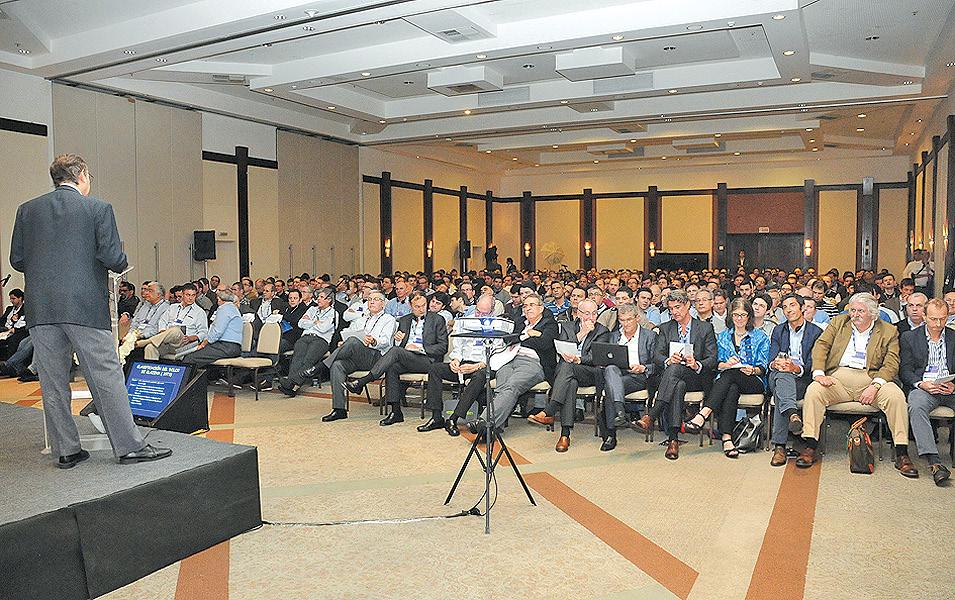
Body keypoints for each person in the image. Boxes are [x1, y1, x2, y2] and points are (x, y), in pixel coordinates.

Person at [10, 154, 170, 467]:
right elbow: (112, 257)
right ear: (82, 175)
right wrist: (122, 263)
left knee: (53, 382)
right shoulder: (97, 208)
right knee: (106, 377)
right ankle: (129, 447)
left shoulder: (27, 210)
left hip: (41, 307)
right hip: (84, 305)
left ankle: (66, 450)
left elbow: (17, 260)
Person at [795, 293, 918, 477]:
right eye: (852, 310)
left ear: (873, 313)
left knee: (896, 396)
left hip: (872, 379)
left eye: (861, 310)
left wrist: (875, 385)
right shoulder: (839, 322)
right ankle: (810, 446)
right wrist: (819, 373)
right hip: (839, 378)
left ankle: (902, 453)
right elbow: (821, 345)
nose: (855, 314)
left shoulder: (888, 330)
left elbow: (891, 363)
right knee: (814, 391)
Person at [632, 290, 718, 460]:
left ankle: (652, 415)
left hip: (695, 376)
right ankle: (673, 440)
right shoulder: (665, 328)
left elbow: (712, 358)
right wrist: (667, 360)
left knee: (674, 373)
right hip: (673, 377)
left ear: (687, 305)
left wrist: (697, 364)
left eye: (678, 307)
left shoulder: (705, 327)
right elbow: (657, 356)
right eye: (671, 309)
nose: (674, 312)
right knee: (676, 381)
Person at [346, 292, 448, 425]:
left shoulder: (437, 319)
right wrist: (399, 341)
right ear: (410, 306)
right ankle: (396, 411)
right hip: (408, 357)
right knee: (392, 366)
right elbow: (398, 345)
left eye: (424, 305)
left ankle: (364, 380)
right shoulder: (404, 320)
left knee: (395, 352)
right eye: (417, 306)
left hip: (427, 360)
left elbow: (443, 347)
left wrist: (420, 349)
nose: (421, 309)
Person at [684, 298, 769, 458]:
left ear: (749, 316)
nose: (739, 319)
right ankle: (727, 438)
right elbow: (717, 364)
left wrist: (753, 369)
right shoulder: (723, 336)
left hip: (753, 381)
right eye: (736, 315)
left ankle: (703, 414)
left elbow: (763, 367)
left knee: (731, 375)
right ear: (730, 316)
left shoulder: (760, 337)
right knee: (731, 387)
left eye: (743, 315)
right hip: (729, 380)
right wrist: (726, 364)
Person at [527, 299, 609, 452]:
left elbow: (597, 357)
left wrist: (579, 359)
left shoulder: (602, 330)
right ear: (578, 313)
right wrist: (582, 333)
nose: (591, 318)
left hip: (589, 372)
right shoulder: (566, 327)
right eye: (587, 313)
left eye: (594, 313)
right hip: (568, 373)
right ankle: (565, 434)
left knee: (567, 367)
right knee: (569, 381)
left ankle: (550, 409)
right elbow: (562, 347)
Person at [422, 295, 498, 436]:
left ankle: (453, 418)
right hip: (464, 363)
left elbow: (498, 352)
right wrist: (455, 360)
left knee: (480, 376)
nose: (479, 315)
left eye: (484, 313)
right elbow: (458, 346)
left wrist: (478, 365)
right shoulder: (465, 322)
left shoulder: (498, 325)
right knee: (435, 369)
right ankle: (436, 417)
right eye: (478, 311)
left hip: (484, 365)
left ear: (492, 311)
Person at [481, 293, 558, 432]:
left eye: (532, 305)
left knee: (511, 385)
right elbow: (508, 339)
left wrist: (523, 338)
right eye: (526, 305)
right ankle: (493, 427)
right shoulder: (520, 322)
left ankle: (485, 422)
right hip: (510, 358)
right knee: (501, 386)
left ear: (541, 308)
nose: (528, 308)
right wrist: (529, 334)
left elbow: (545, 343)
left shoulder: (549, 323)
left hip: (533, 362)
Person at [899, 298, 954, 485]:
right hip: (925, 387)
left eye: (942, 319)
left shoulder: (954, 336)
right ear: (924, 316)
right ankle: (934, 462)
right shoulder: (909, 337)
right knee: (916, 405)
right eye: (933, 319)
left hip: (950, 387)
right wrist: (921, 384)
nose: (938, 324)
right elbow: (905, 370)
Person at [321, 291, 397, 420]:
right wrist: (343, 343)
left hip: (376, 357)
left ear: (383, 304)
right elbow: (349, 332)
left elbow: (386, 342)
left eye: (376, 299)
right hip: (357, 356)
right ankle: (339, 409)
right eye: (370, 299)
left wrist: (374, 341)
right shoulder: (361, 319)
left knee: (352, 342)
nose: (371, 301)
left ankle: (321, 366)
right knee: (337, 364)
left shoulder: (388, 319)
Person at [767, 294, 823, 466]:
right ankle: (793, 415)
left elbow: (815, 363)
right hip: (778, 373)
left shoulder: (816, 332)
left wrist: (796, 368)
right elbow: (771, 358)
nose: (788, 309)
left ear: (802, 308)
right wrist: (775, 363)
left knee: (781, 393)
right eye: (784, 307)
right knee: (782, 378)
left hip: (803, 378)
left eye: (792, 305)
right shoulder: (778, 330)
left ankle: (779, 446)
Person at [598, 304, 658, 452]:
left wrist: (644, 368)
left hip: (639, 377)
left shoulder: (650, 336)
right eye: (622, 320)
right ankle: (620, 411)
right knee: (611, 369)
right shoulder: (614, 336)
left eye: (629, 320)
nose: (626, 324)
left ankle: (610, 435)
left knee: (610, 388)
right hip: (618, 374)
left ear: (637, 318)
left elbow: (658, 363)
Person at [278, 288, 337, 394]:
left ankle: (291, 383)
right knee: (297, 358)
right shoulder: (312, 309)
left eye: (322, 297)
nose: (318, 299)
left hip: (321, 340)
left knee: (308, 360)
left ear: (329, 300)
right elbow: (301, 323)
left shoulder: (333, 313)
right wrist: (316, 322)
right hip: (305, 337)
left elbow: (324, 328)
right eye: (318, 297)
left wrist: (310, 322)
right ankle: (292, 386)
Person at [180, 290, 243, 368]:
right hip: (232, 347)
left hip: (225, 346)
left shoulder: (224, 309)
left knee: (190, 359)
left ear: (219, 299)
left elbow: (217, 332)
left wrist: (205, 342)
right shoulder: (233, 308)